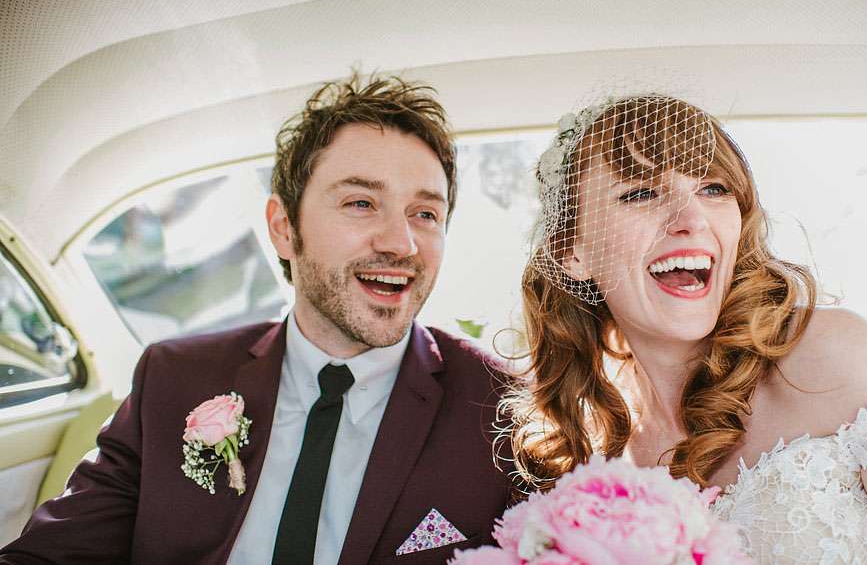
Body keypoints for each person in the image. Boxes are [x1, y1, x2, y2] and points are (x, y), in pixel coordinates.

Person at [1, 73, 512, 564]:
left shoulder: (503, 411)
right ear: (284, 227)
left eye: (425, 214)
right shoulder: (172, 378)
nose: (402, 243)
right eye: (361, 203)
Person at [503, 94, 867, 563]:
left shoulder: (832, 356)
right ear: (572, 252)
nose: (692, 219)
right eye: (640, 193)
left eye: (713, 188)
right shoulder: (587, 460)